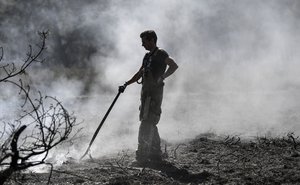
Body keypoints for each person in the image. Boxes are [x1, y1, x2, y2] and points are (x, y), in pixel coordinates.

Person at [119, 30, 178, 165]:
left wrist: (162, 77)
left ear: (152, 40)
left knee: (146, 122)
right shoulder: (146, 57)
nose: (142, 45)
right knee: (149, 121)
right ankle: (156, 154)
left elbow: (174, 65)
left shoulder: (161, 54)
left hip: (154, 94)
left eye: (144, 41)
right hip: (145, 94)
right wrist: (126, 84)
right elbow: (139, 73)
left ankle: (141, 157)